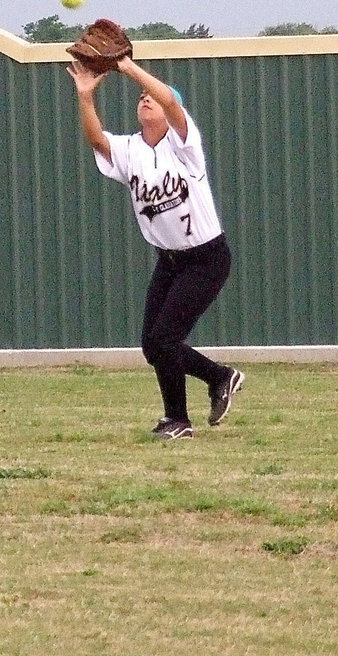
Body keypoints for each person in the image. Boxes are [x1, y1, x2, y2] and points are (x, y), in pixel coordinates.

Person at [67, 55, 244, 440]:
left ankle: (194, 403)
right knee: (153, 345)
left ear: (168, 110)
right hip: (169, 260)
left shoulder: (184, 146)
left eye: (153, 96)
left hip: (206, 257)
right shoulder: (129, 149)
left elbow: (171, 101)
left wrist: (128, 68)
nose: (145, 99)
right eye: (141, 96)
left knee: (165, 340)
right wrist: (85, 95)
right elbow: (97, 139)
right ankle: (199, 396)